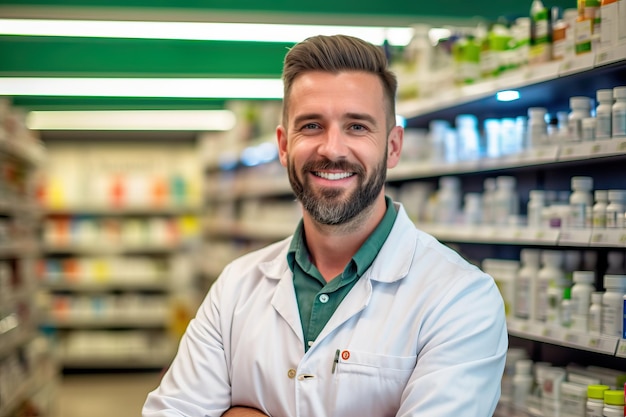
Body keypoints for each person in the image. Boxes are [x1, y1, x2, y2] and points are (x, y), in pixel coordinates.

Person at [143, 34, 508, 417]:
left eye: (357, 127)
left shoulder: (461, 298)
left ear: (393, 146)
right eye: (312, 126)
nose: (332, 150)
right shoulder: (235, 287)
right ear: (283, 146)